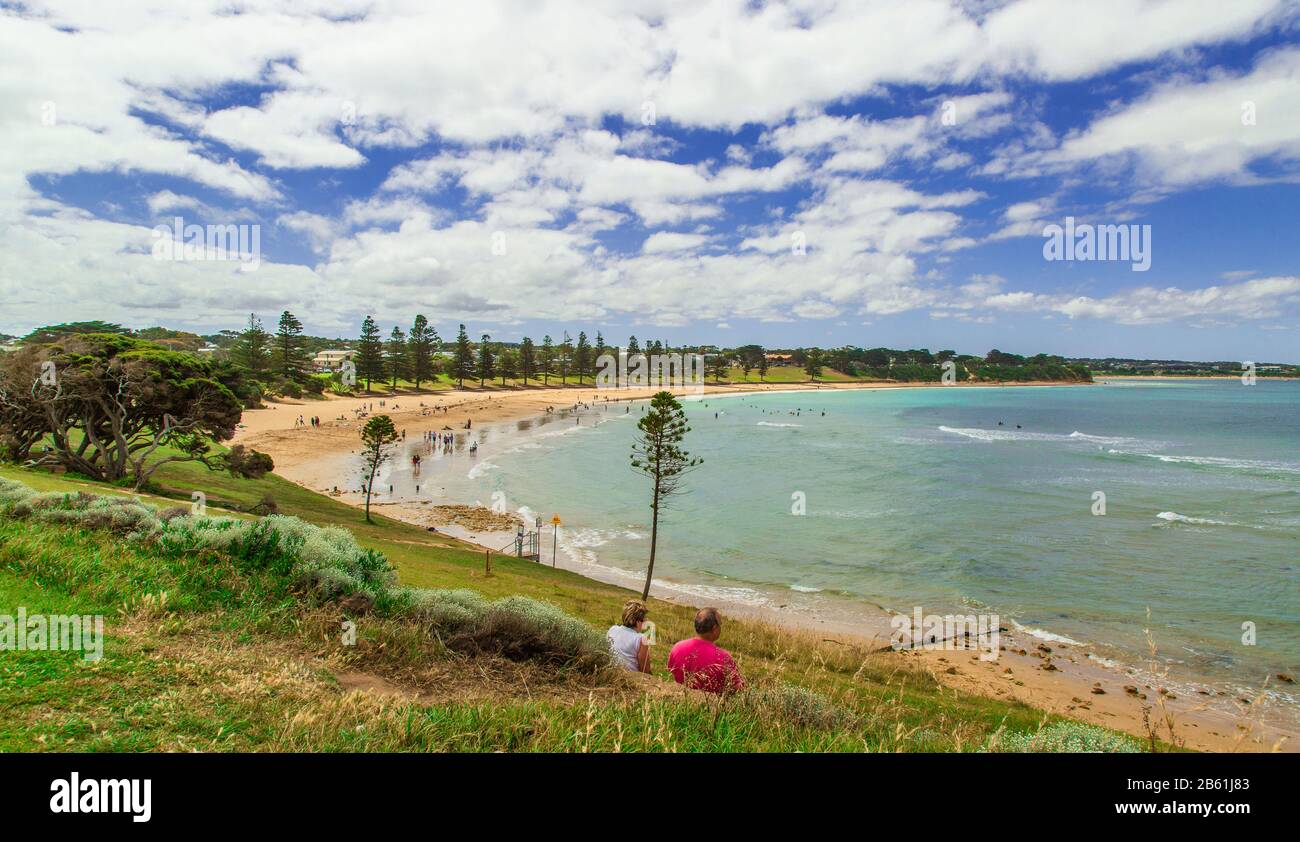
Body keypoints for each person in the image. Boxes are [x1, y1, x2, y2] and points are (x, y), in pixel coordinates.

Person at [667, 607, 744, 694]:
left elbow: (671, 671)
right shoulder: (724, 657)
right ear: (714, 629)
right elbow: (739, 688)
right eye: (720, 624)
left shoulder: (677, 647)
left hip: (679, 699)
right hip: (710, 705)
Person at [607, 600, 651, 673]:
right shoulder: (641, 639)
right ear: (637, 621)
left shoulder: (612, 629)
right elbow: (645, 670)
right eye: (643, 620)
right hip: (629, 678)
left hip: (610, 673)